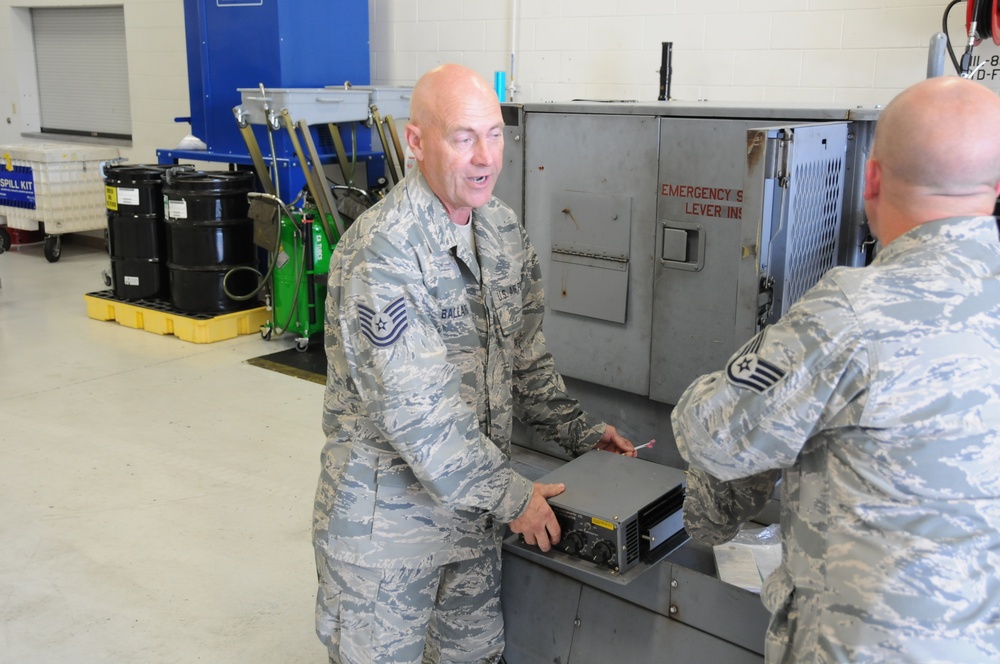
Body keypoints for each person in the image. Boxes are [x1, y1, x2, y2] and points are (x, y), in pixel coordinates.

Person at [312, 63, 636, 664]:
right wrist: (516, 498)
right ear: (416, 142)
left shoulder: (502, 231)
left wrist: (583, 437)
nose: (485, 156)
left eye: (495, 133)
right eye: (463, 137)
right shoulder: (381, 254)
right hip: (388, 536)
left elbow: (525, 357)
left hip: (470, 524)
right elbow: (421, 420)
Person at [672, 76, 1000, 663]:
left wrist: (712, 389)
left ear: (871, 178)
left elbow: (715, 434)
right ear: (995, 187)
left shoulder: (854, 312)